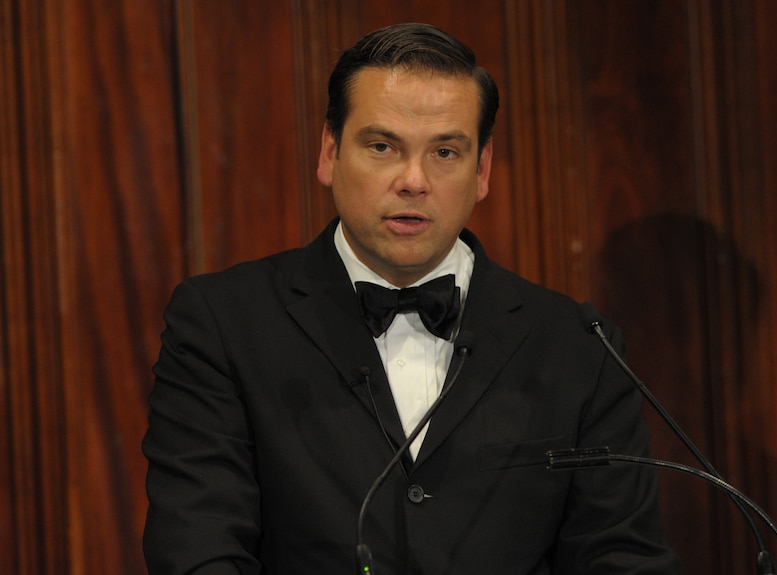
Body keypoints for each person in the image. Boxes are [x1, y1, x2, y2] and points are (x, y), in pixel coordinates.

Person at [142, 22, 680, 574]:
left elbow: (622, 557)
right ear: (330, 152)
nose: (414, 180)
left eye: (445, 151)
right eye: (382, 146)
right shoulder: (223, 324)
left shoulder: (580, 348)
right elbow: (198, 550)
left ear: (483, 170)